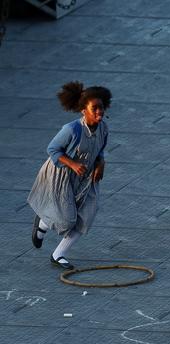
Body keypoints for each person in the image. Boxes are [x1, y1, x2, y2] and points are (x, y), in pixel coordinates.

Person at [27, 81, 111, 270]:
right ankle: (42, 222)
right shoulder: (72, 130)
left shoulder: (103, 128)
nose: (99, 112)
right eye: (94, 108)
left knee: (87, 215)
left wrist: (101, 163)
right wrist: (72, 163)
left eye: (101, 107)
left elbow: (100, 151)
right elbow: (53, 149)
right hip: (62, 176)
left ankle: (58, 255)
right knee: (66, 219)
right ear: (84, 110)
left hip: (86, 178)